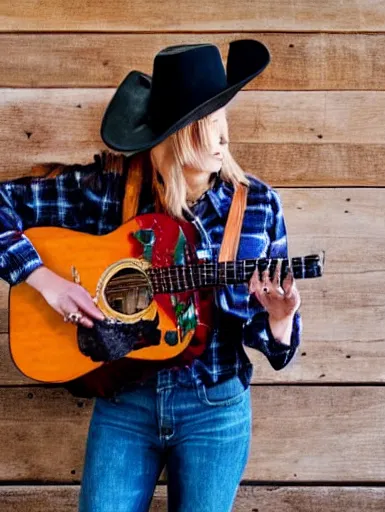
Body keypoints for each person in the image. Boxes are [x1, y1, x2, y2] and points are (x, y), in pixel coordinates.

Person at [0, 39, 302, 511]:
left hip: (215, 408)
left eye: (224, 120)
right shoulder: (107, 191)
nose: (224, 137)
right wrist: (44, 279)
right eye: (209, 125)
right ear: (177, 134)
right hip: (125, 403)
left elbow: (276, 347)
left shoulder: (259, 205)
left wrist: (280, 321)